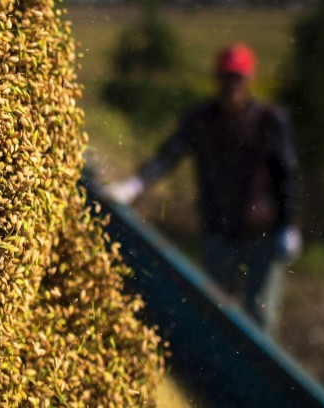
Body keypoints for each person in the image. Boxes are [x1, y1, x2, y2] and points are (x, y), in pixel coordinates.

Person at [102, 43, 302, 336]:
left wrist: (289, 224)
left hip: (262, 232)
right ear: (217, 79)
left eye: (237, 78)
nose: (231, 85)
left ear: (248, 80)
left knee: (259, 314)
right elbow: (169, 155)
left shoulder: (269, 121)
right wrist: (135, 184)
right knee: (217, 312)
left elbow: (287, 175)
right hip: (219, 230)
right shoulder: (201, 121)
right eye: (226, 77)